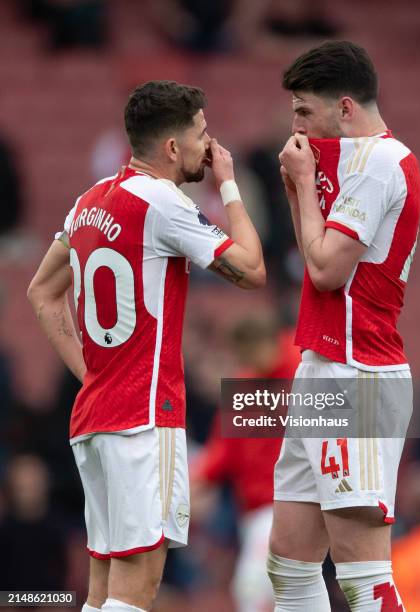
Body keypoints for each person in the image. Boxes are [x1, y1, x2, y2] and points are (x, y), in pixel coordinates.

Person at [27, 80, 265, 612]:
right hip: (144, 417)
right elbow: (251, 270)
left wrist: (90, 372)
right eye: (202, 134)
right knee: (136, 590)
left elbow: (42, 292)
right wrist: (229, 187)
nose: (211, 146)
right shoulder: (163, 201)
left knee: (102, 590)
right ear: (173, 148)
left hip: (94, 417)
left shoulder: (87, 203)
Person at [266, 42, 420, 611]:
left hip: (358, 373)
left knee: (362, 575)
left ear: (347, 106)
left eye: (305, 110)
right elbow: (312, 254)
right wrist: (296, 190)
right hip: (321, 366)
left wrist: (304, 185)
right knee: (289, 564)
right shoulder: (348, 159)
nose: (297, 125)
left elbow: (328, 269)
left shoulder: (384, 163)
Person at [191, 316, 299, 612]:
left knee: (252, 587)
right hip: (253, 512)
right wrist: (194, 483)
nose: (247, 362)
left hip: (290, 503)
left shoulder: (304, 368)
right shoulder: (244, 385)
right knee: (282, 593)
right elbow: (221, 452)